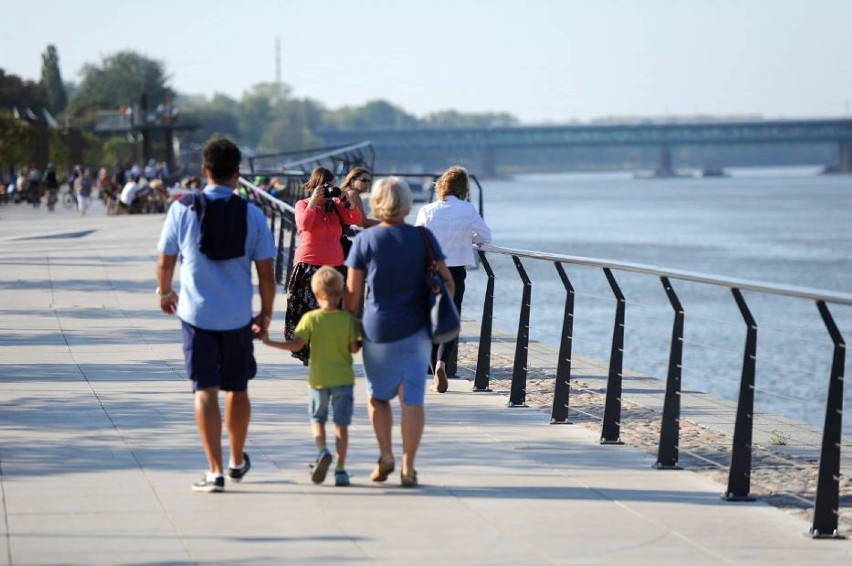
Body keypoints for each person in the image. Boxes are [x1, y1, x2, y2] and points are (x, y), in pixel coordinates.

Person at [155, 137, 276, 493]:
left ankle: (215, 471)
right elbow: (267, 273)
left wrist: (165, 292)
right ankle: (237, 459)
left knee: (204, 390)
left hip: (197, 315)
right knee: (237, 388)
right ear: (237, 174)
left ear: (204, 171)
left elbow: (165, 260)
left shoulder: (182, 209)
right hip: (238, 316)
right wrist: (265, 314)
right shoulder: (253, 213)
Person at [344, 177, 454, 488]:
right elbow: (448, 282)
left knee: (378, 398)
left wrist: (351, 327)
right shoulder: (423, 238)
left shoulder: (365, 241)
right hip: (416, 329)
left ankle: (385, 455)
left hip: (376, 329)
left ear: (376, 203)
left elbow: (353, 292)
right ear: (407, 204)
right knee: (413, 399)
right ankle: (408, 466)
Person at [261, 266, 360, 487]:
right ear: (341, 293)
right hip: (343, 379)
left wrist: (269, 342)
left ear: (316, 294)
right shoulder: (347, 320)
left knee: (318, 420)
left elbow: (296, 345)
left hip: (319, 380)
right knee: (341, 426)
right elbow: (354, 349)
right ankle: (341, 470)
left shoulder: (310, 319)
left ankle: (322, 450)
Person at [415, 165, 492, 393]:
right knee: (451, 319)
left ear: (441, 186)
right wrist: (470, 238)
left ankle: (432, 372)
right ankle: (442, 364)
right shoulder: (467, 210)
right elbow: (486, 236)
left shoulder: (428, 210)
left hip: (431, 270)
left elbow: (417, 238)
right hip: (456, 271)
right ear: (464, 188)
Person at [284, 166, 361, 365]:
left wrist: (346, 199)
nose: (328, 191)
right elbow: (304, 225)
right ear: (314, 186)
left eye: (331, 186)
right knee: (305, 312)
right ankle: (309, 351)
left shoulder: (336, 206)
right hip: (308, 265)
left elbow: (356, 219)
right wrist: (314, 201)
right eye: (324, 187)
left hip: (334, 265)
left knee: (333, 311)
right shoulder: (302, 204)